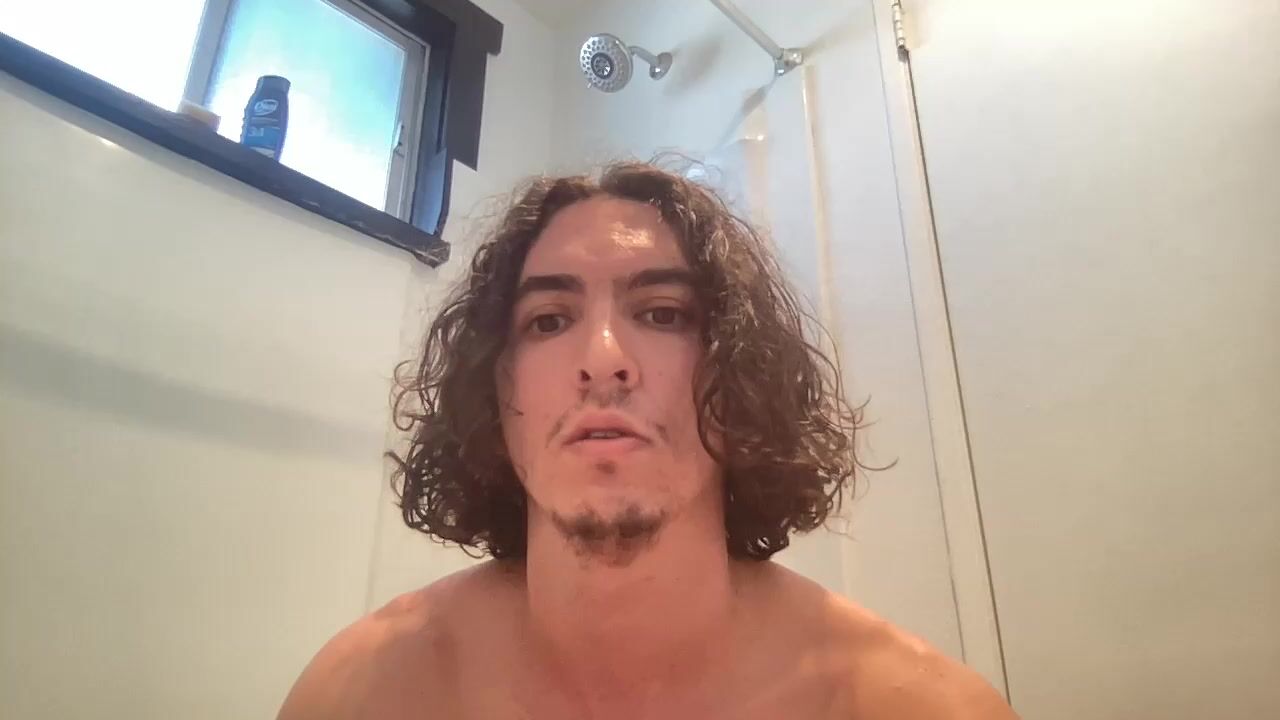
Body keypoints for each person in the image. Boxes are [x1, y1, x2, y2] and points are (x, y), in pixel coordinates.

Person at [277, 162, 1018, 719]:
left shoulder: (917, 705)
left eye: (663, 314)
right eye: (549, 321)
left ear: (739, 374)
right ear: (498, 391)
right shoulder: (362, 692)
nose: (603, 357)